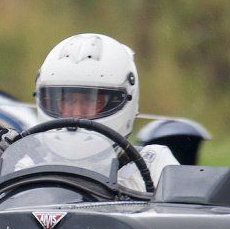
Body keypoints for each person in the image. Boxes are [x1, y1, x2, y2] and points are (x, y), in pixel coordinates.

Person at [32, 32, 175, 193]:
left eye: (91, 101)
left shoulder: (155, 166)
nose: (76, 114)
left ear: (124, 100)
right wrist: (0, 162)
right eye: (65, 101)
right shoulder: (27, 165)